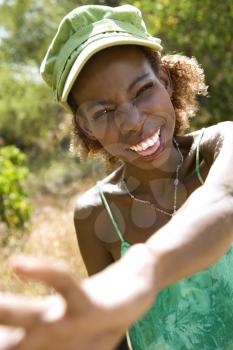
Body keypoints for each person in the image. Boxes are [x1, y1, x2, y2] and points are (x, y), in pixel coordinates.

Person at [0, 4, 232, 350]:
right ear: (85, 126)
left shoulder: (222, 146)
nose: (132, 121)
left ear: (165, 82)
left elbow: (223, 200)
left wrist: (141, 272)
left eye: (142, 91)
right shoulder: (95, 214)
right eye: (103, 111)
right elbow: (113, 337)